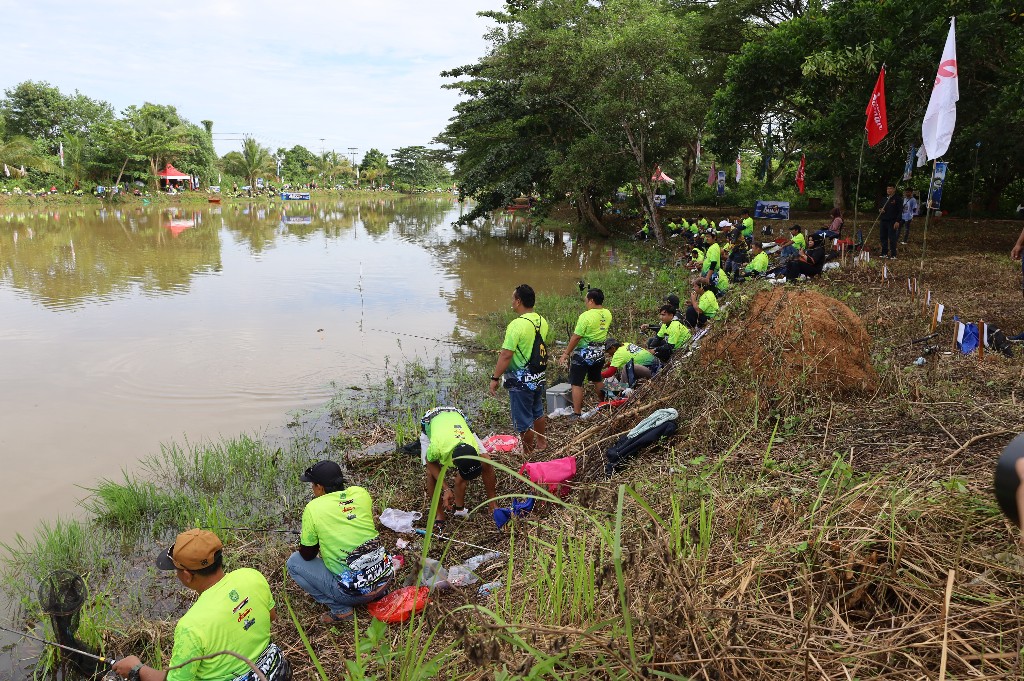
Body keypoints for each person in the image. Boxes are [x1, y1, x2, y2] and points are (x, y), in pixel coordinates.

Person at [113, 529, 290, 681]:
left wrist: (136, 668)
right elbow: (271, 616)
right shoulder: (252, 576)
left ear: (187, 575)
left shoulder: (191, 625)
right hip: (276, 671)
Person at [286, 461, 393, 623]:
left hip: (353, 594)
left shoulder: (313, 508)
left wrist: (310, 535)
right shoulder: (360, 493)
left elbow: (307, 555)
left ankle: (340, 610)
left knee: (294, 562)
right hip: (385, 581)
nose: (312, 490)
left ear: (320, 487)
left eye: (312, 486)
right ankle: (378, 595)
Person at [490, 284, 550, 455]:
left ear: (518, 301)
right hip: (538, 375)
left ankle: (528, 452)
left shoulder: (516, 325)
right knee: (537, 410)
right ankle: (541, 442)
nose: (512, 302)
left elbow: (506, 355)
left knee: (523, 419)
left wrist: (495, 378)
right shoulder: (541, 320)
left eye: (513, 298)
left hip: (520, 381)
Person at [418, 407, 499, 524]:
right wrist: (446, 489)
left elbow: (482, 460)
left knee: (486, 460)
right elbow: (429, 462)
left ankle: (492, 504)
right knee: (431, 473)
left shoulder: (472, 444)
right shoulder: (437, 447)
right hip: (430, 420)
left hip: (456, 418)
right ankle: (439, 514)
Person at [559, 289, 613, 419]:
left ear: (591, 301)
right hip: (599, 353)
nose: (586, 303)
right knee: (597, 379)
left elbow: (577, 337)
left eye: (586, 300)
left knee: (576, 383)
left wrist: (566, 353)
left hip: (584, 355)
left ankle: (577, 413)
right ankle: (604, 404)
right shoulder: (607, 313)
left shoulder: (586, 316)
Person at [878, 184, 902, 259]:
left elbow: (900, 211)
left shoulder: (897, 199)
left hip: (892, 221)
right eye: (888, 189)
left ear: (894, 189)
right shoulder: (884, 199)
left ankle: (893, 254)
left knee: (892, 238)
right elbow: (880, 207)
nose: (889, 190)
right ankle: (884, 253)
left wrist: (898, 221)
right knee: (883, 237)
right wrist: (880, 210)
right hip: (884, 220)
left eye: (890, 188)